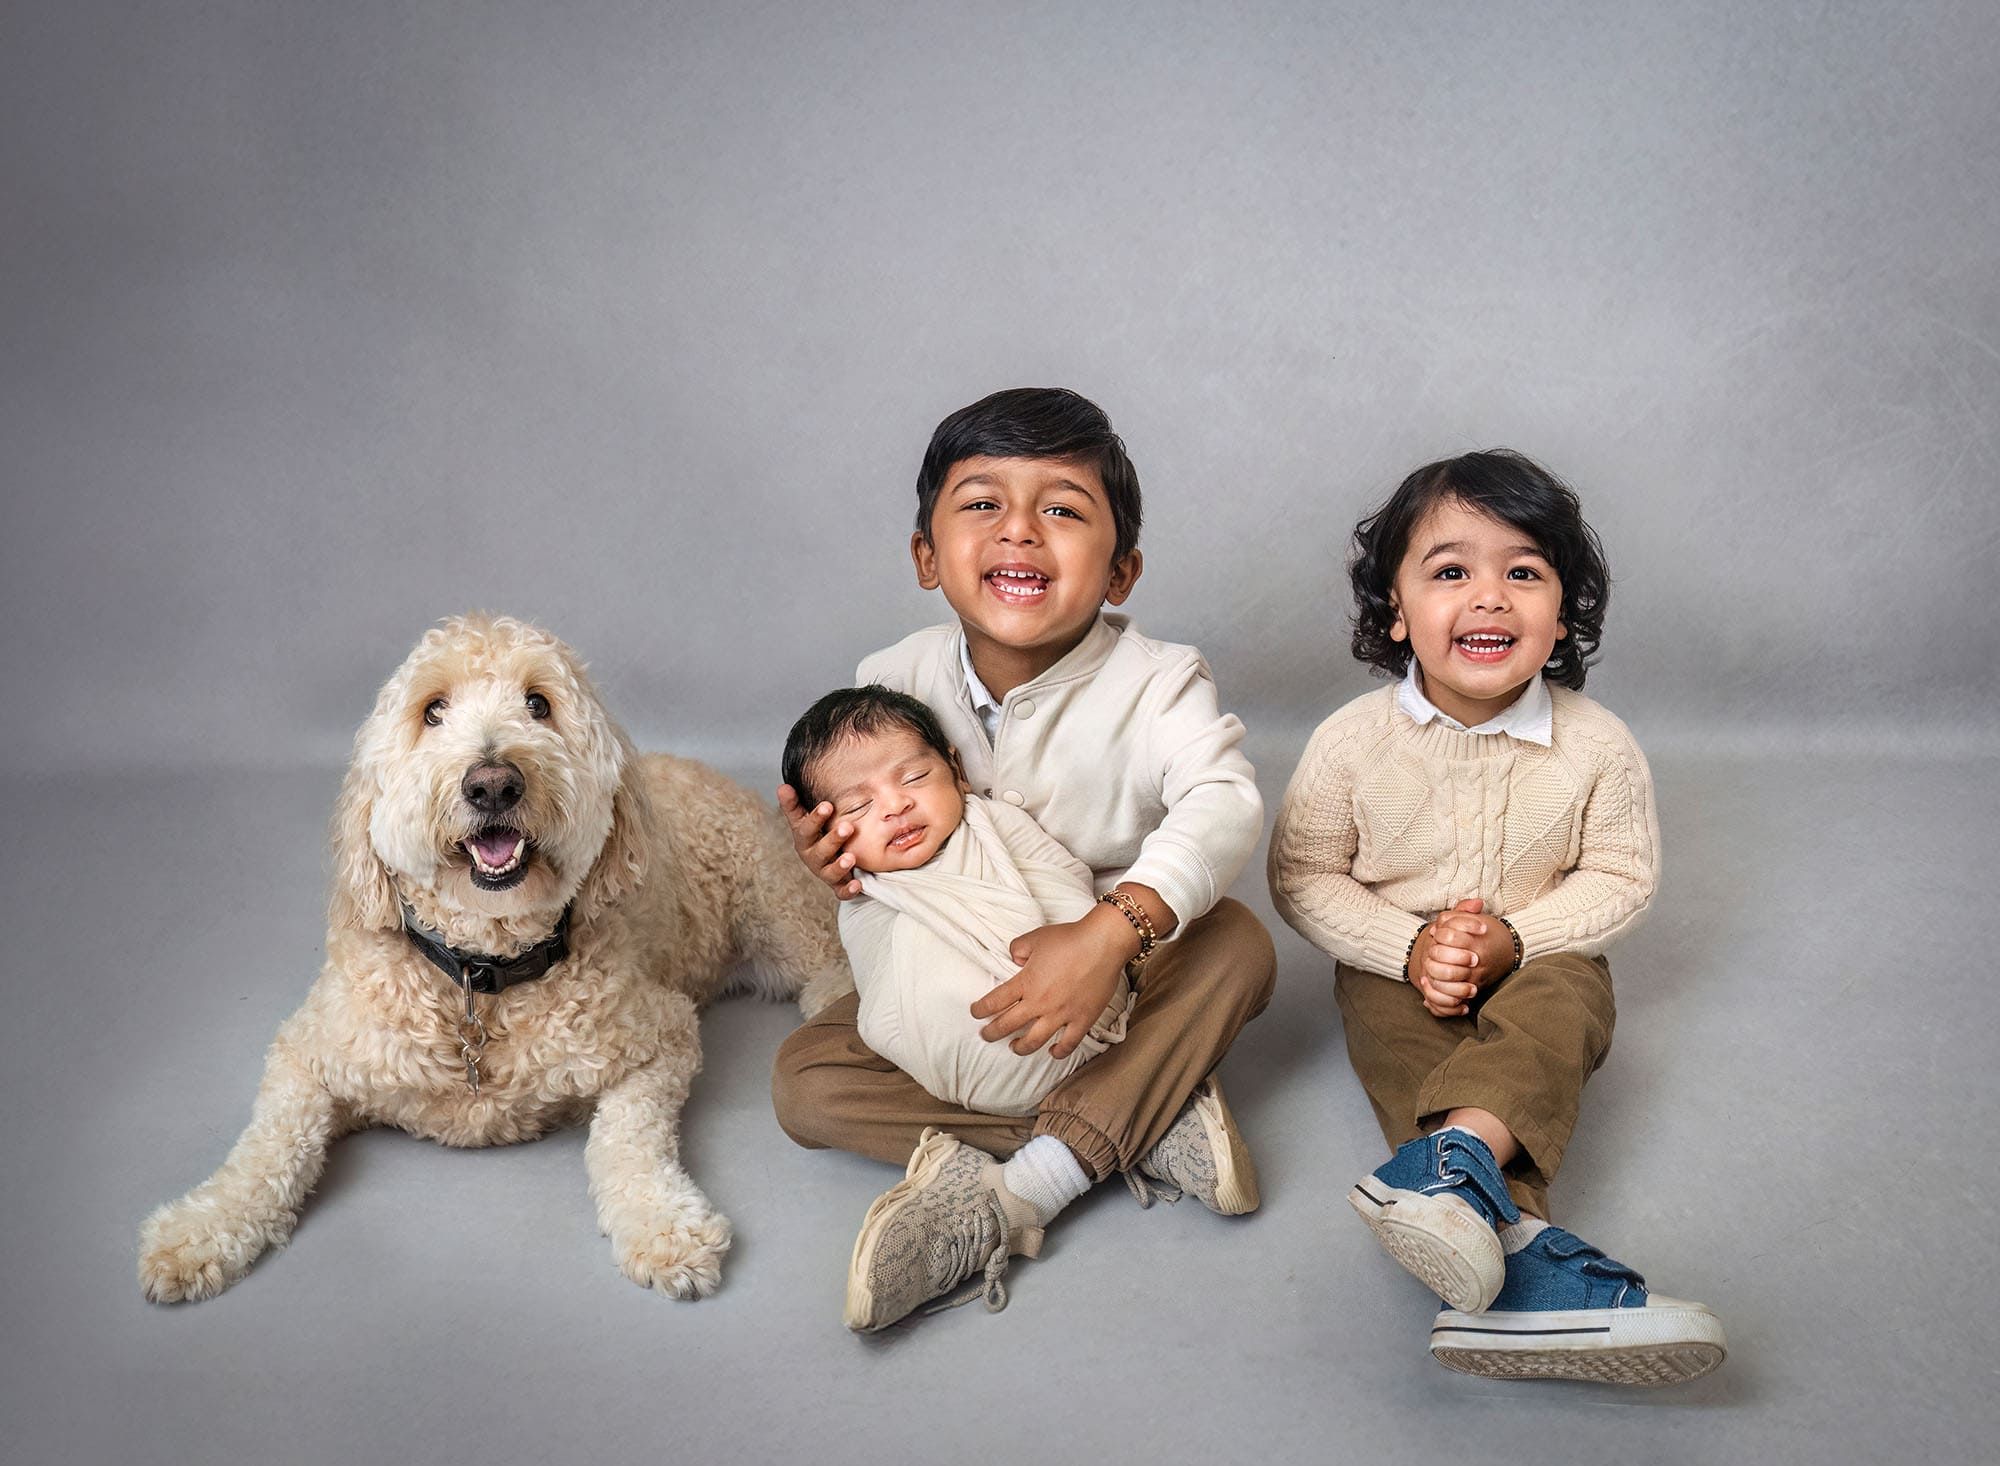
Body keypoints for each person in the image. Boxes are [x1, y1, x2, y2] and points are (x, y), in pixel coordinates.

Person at [773, 386, 1275, 1331]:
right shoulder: (890, 679)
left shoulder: (1160, 681)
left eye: (1061, 509)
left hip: (1118, 967)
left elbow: (1222, 803)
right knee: (804, 1081)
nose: (1019, 533)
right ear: (928, 555)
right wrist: (832, 853)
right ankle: (1140, 1122)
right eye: (981, 505)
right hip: (967, 987)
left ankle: (1026, 1187)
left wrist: (1107, 933)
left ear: (1121, 569)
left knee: (1239, 944)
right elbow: (856, 826)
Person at [1268, 449, 1727, 1386]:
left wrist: (1517, 938)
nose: (1490, 597)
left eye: (1524, 572)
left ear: (1561, 613)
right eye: (1450, 572)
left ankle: (1449, 1166)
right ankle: (1518, 1263)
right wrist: (1409, 947)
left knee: (1567, 1002)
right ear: (1396, 610)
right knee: (1414, 1057)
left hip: (1539, 950)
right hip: (1397, 964)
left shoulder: (1596, 744)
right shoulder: (1351, 743)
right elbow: (1305, 874)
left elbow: (1623, 873)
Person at [780, 685, 1132, 1118]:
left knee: (1222, 936)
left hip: (1081, 1011)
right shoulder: (862, 896)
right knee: (806, 1089)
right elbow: (882, 998)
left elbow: (1067, 886)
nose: (895, 805)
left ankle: (1077, 1132)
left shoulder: (998, 825)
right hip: (958, 1070)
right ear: (825, 834)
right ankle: (1102, 1125)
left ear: (955, 768)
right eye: (858, 806)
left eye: (914, 778)